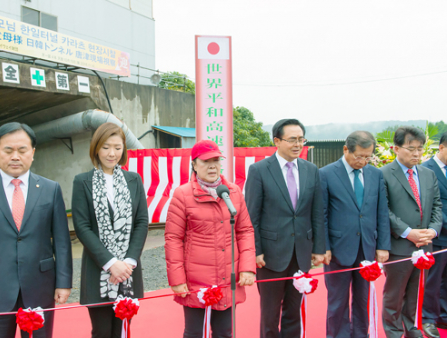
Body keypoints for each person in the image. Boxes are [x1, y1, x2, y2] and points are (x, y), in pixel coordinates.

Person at [0, 122, 73, 338]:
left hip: (40, 287)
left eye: (22, 150)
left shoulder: (50, 189)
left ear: (33, 152)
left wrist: (63, 283)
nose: (15, 156)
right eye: (8, 150)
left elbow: (62, 242)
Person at [165, 139, 256, 338]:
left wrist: (247, 267)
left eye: (216, 160)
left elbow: (245, 231)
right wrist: (177, 279)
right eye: (206, 161)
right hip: (195, 280)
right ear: (194, 165)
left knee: (224, 332)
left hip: (227, 277)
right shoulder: (182, 194)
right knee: (194, 333)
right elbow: (173, 238)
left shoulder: (233, 192)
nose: (212, 166)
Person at [244, 118, 325, 338]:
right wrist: (255, 251)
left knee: (294, 311)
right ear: (277, 141)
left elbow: (317, 213)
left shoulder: (311, 170)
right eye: (292, 139)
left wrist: (319, 248)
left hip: (301, 253)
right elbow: (252, 216)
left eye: (301, 139)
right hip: (270, 255)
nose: (298, 144)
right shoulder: (259, 170)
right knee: (270, 314)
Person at [72, 122, 148, 338]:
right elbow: (82, 227)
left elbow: (141, 222)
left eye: (117, 147)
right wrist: (111, 263)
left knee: (123, 330)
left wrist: (128, 262)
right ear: (96, 148)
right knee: (102, 331)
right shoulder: (82, 181)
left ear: (124, 148)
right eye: (106, 147)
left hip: (128, 271)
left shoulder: (134, 180)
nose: (111, 153)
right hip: (98, 269)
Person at [320, 131, 391, 338]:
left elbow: (382, 211)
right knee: (338, 302)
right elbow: (321, 214)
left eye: (368, 157)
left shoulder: (375, 174)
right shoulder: (326, 174)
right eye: (359, 156)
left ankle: (361, 334)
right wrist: (323, 246)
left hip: (367, 246)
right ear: (345, 149)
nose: (363, 161)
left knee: (363, 300)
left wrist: (382, 245)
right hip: (337, 248)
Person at [381, 126, 442, 338]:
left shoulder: (428, 174)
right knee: (394, 295)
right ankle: (394, 332)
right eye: (411, 149)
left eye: (420, 149)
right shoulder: (383, 174)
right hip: (399, 245)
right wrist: (408, 232)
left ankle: (412, 329)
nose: (416, 154)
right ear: (396, 148)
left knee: (417, 293)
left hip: (425, 245)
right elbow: (383, 210)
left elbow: (436, 206)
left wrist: (433, 231)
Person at [421, 131, 447, 338]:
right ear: (441, 147)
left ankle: (443, 316)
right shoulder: (425, 169)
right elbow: (432, 205)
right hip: (436, 235)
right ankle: (427, 318)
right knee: (433, 279)